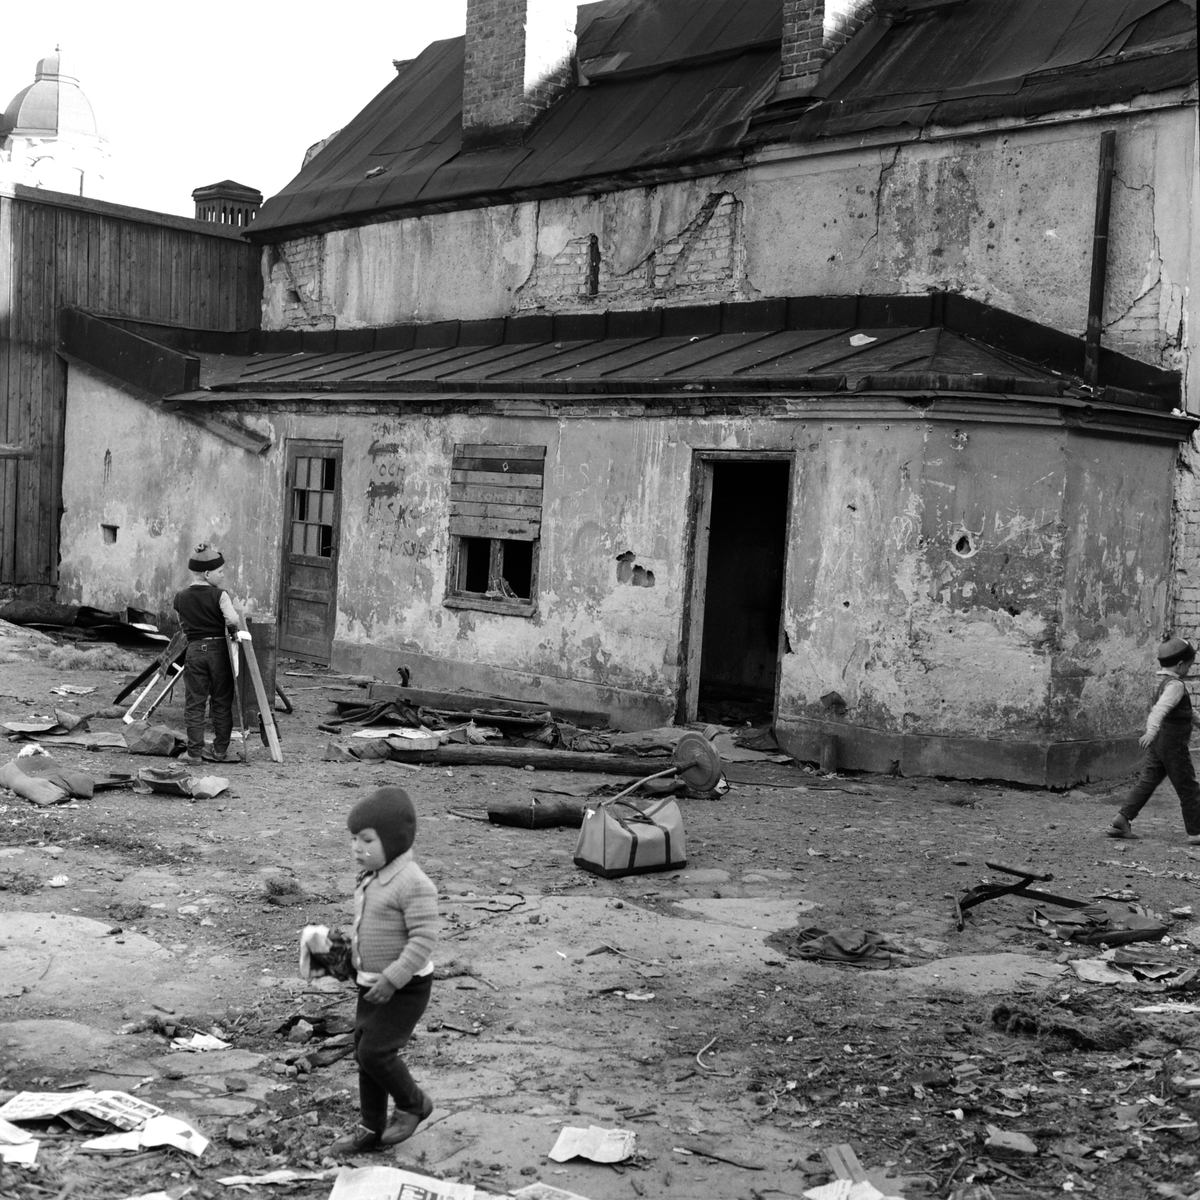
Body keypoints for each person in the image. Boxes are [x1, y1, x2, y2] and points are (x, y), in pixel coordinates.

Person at [331, 786, 439, 1155]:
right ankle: (370, 1128)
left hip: (405, 987)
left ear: (392, 841)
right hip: (371, 984)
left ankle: (413, 1104)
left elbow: (423, 939)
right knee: (364, 1051)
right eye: (353, 839)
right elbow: (369, 928)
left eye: (367, 840)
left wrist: (393, 979)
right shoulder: (371, 877)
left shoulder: (413, 883)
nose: (356, 847)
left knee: (376, 1052)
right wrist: (343, 957)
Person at [1107, 637, 1200, 844]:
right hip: (1172, 744)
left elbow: (1186, 710)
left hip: (1160, 743)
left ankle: (1120, 820)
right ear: (1180, 665)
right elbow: (1160, 710)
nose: (1189, 669)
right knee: (1188, 787)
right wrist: (1151, 731)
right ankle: (1195, 832)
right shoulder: (1175, 685)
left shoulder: (1158, 681)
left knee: (1147, 782)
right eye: (1190, 665)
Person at [172, 544, 248, 765]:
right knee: (221, 702)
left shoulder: (180, 597)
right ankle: (220, 751)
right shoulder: (220, 595)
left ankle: (194, 753)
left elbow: (181, 623)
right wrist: (233, 631)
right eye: (220, 572)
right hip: (218, 652)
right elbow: (233, 620)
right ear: (207, 574)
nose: (222, 575)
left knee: (195, 702)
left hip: (194, 650)